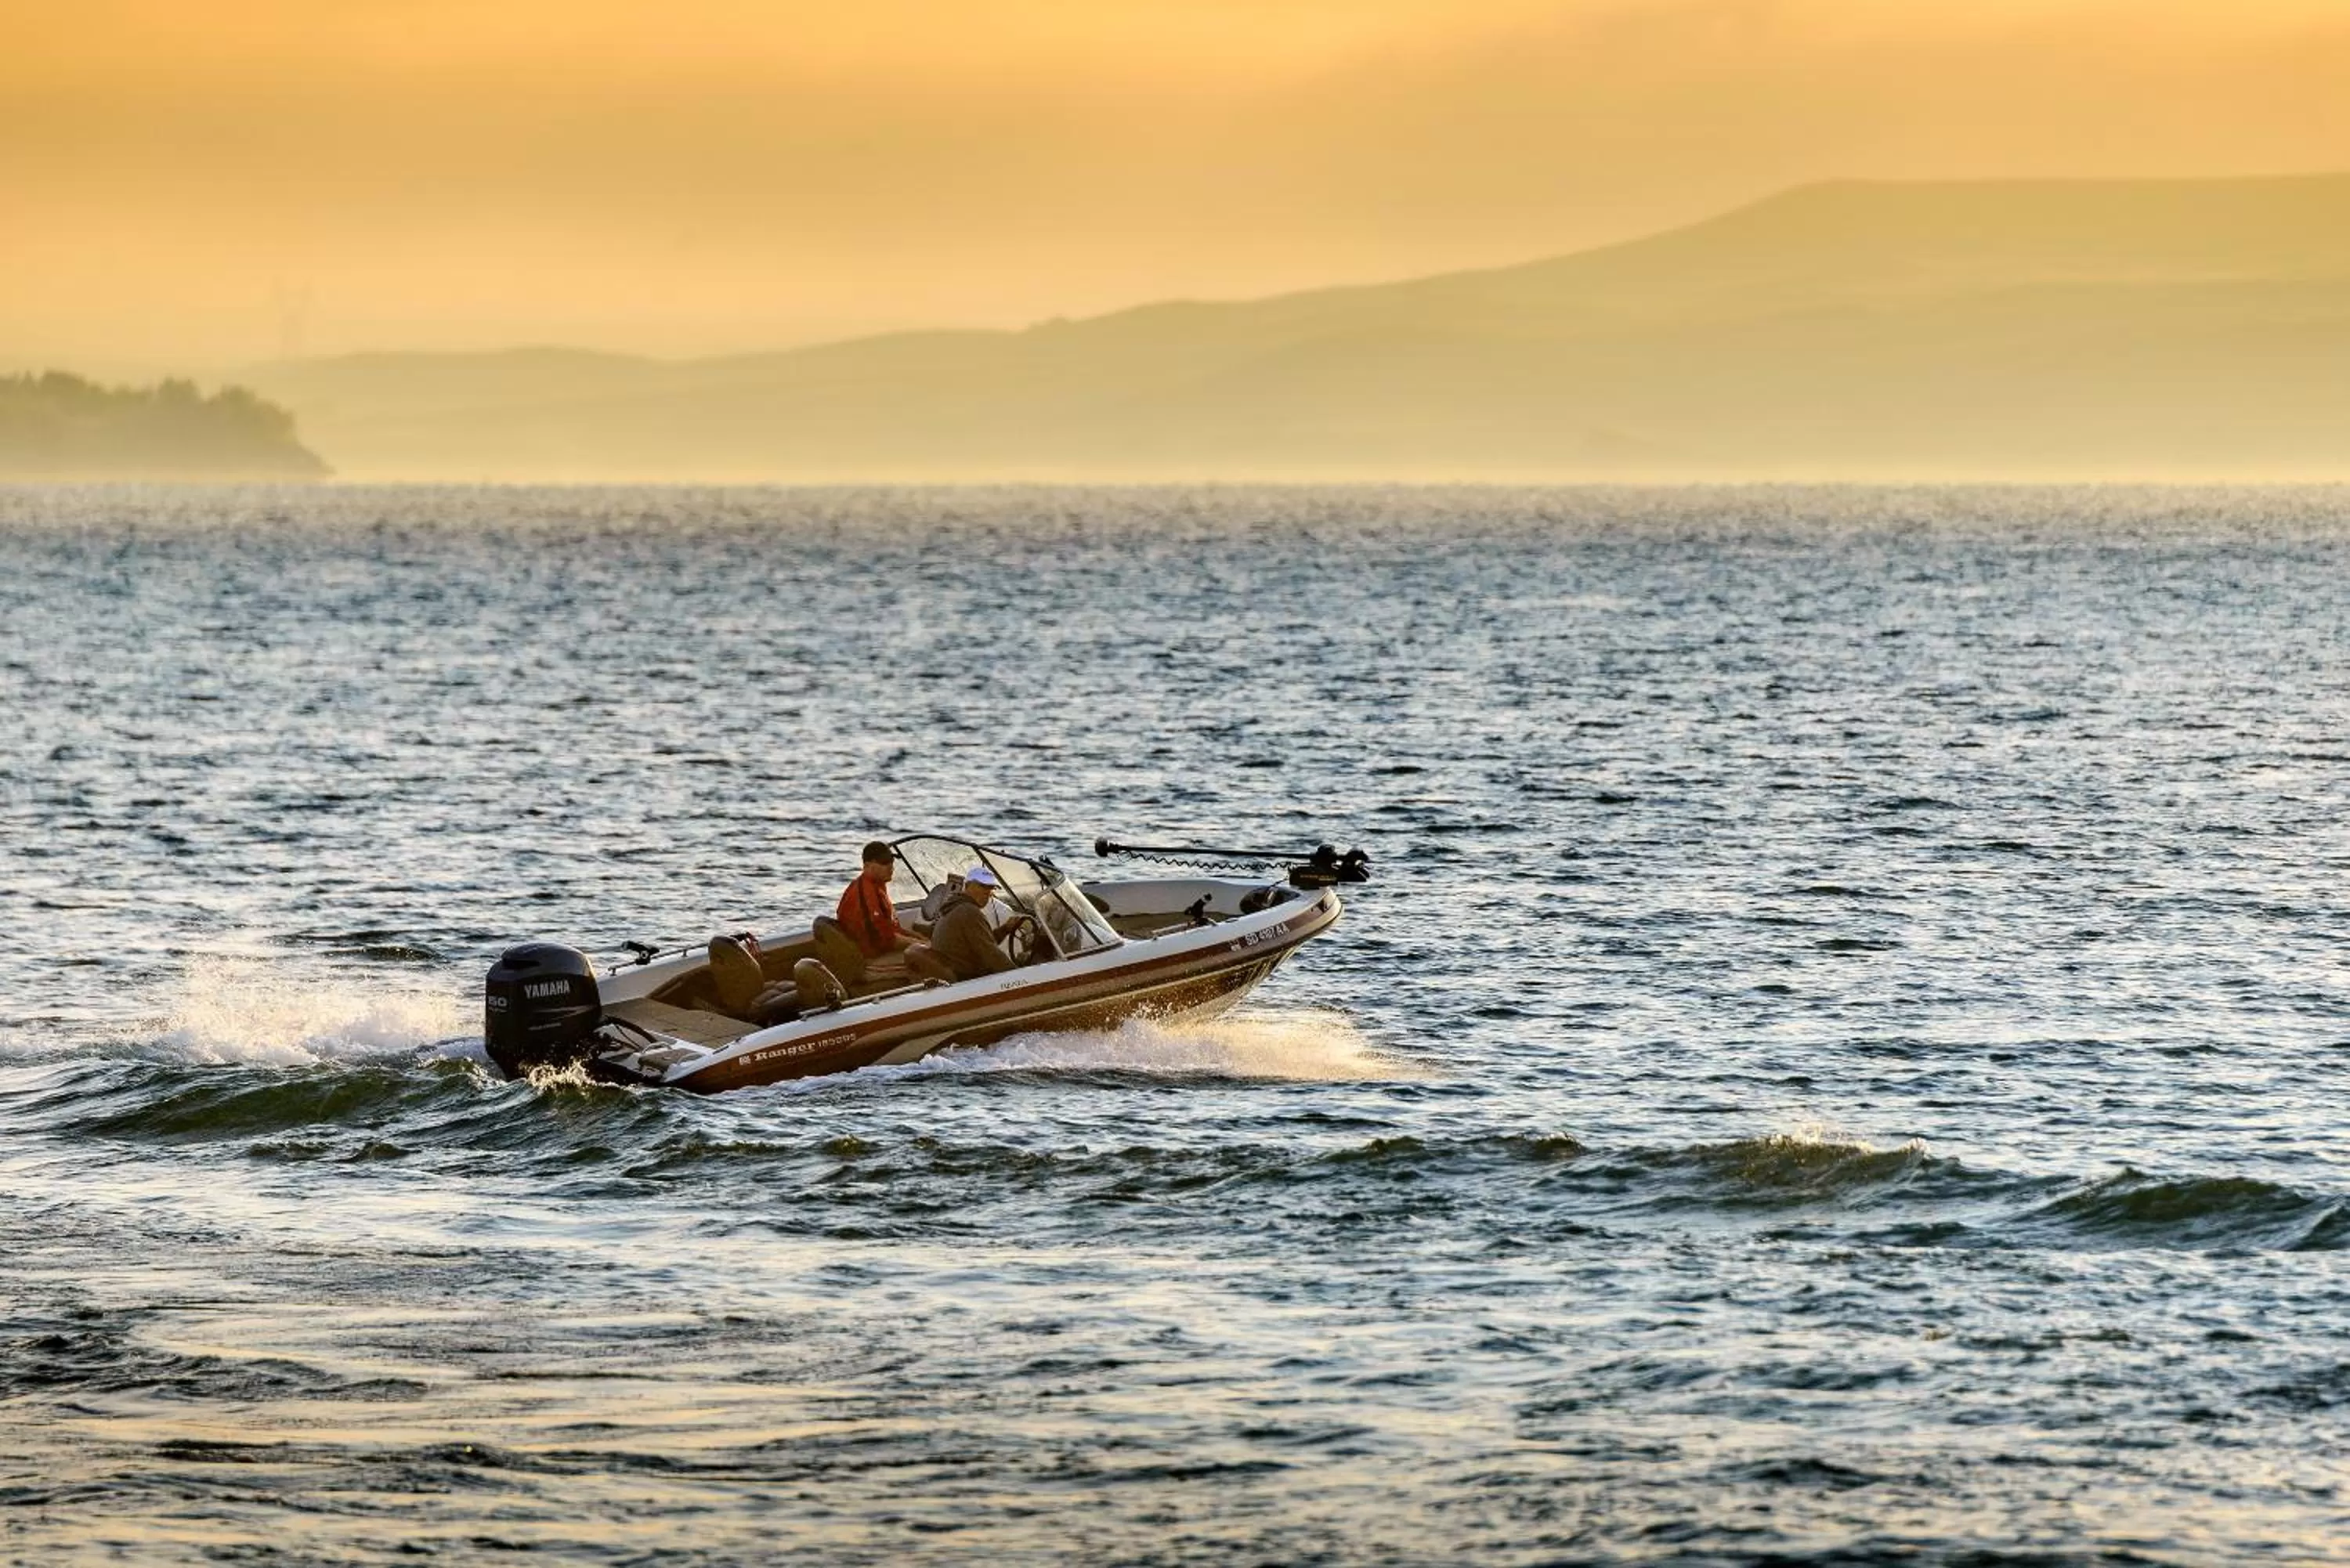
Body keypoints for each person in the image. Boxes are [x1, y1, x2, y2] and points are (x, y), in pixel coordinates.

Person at [812, 840, 919, 988]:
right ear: (868, 865)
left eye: (891, 861)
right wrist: (922, 945)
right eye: (884, 862)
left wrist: (921, 939)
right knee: (926, 962)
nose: (891, 867)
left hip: (879, 953)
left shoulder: (877, 888)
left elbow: (892, 929)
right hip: (867, 963)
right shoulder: (865, 894)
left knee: (924, 952)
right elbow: (886, 940)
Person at [906, 864, 1032, 983]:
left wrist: (1005, 929)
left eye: (990, 888)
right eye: (982, 886)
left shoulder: (953, 906)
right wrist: (1019, 977)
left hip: (959, 969)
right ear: (967, 886)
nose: (987, 892)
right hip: (967, 978)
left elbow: (983, 942)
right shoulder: (968, 911)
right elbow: (991, 954)